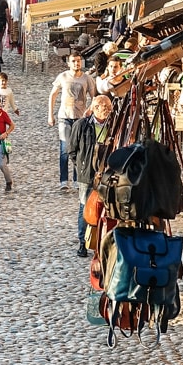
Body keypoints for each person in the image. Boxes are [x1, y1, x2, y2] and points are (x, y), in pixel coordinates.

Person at [69, 95, 113, 257]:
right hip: (87, 174)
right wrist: (82, 167)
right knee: (85, 207)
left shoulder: (114, 125)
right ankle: (83, 241)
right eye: (104, 107)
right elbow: (72, 150)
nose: (108, 110)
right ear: (95, 108)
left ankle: (101, 241)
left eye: (109, 107)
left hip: (107, 173)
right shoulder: (82, 125)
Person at [47, 52, 97, 190]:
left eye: (78, 61)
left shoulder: (87, 79)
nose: (76, 63)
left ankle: (77, 178)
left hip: (80, 119)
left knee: (80, 150)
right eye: (73, 61)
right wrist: (50, 115)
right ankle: (64, 180)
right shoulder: (63, 77)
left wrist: (90, 110)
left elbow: (94, 98)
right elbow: (53, 95)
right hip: (64, 117)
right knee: (64, 149)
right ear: (69, 63)